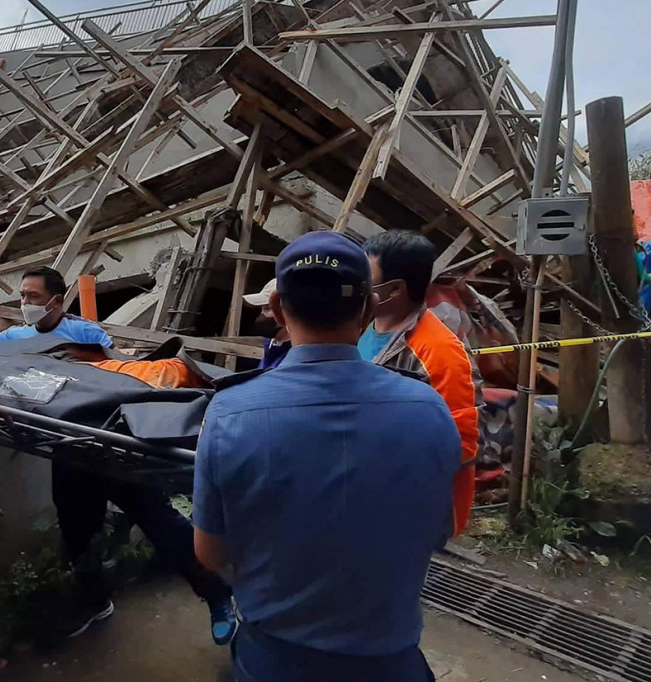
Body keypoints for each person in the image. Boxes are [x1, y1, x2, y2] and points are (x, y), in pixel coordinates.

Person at [193, 231, 459, 682]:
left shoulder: (229, 412)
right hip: (391, 661)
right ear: (368, 309)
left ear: (276, 309)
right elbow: (439, 530)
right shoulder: (428, 407)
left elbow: (209, 552)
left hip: (274, 659)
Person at [0, 267, 237, 644]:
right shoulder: (13, 338)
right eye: (22, 296)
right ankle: (95, 602)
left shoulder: (84, 334)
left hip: (109, 442)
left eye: (33, 296)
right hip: (66, 446)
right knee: (77, 534)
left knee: (160, 521)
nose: (25, 304)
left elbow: (121, 376)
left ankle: (217, 595)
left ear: (57, 300)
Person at [360, 230, 483, 537]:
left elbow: (460, 447)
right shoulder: (356, 326)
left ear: (395, 289)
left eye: (365, 278)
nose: (357, 285)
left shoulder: (441, 353)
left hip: (410, 508)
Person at [242, 278, 290, 369]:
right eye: (261, 308)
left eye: (268, 308)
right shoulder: (272, 347)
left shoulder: (293, 356)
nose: (262, 314)